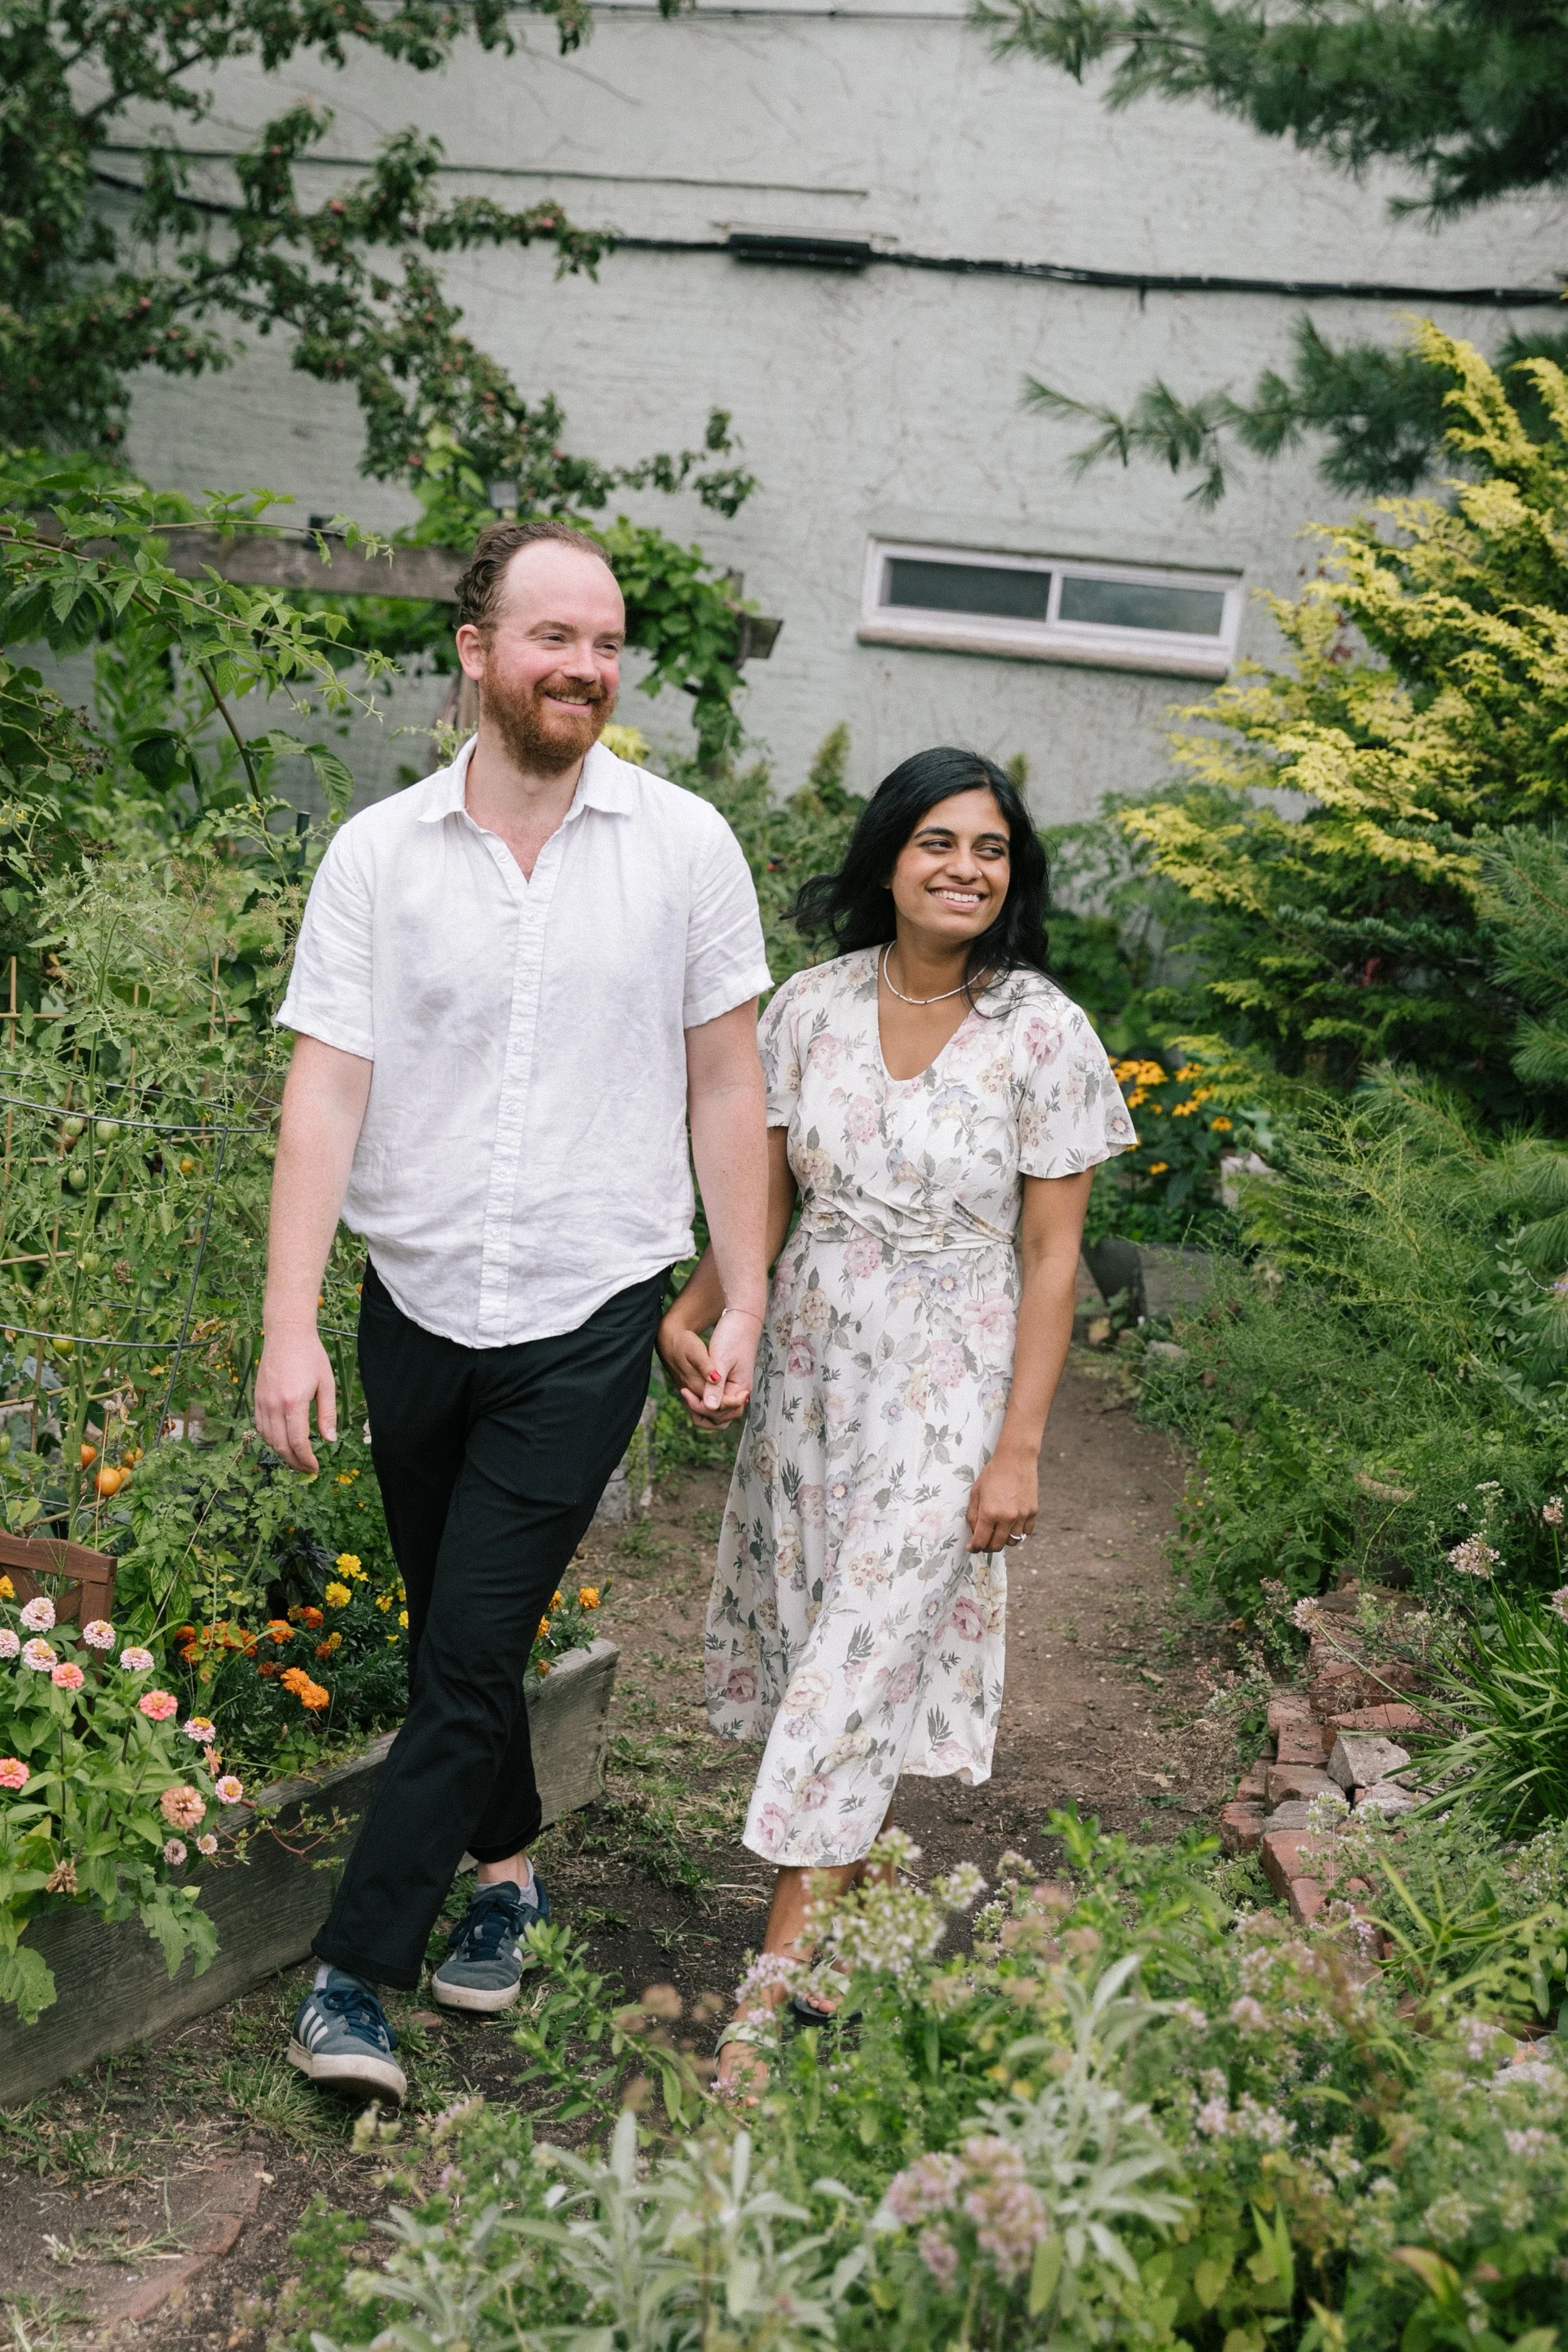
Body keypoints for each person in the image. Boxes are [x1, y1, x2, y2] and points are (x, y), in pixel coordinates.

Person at [255, 518, 771, 2102]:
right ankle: (510, 1870)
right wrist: (287, 1323)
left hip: (586, 1305)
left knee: (473, 1643)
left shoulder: (683, 846)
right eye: (555, 638)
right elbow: (326, 1091)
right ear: (476, 652)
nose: (587, 667)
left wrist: (740, 1287)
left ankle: (352, 1977)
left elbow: (727, 1082)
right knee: (448, 1632)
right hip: (412, 1299)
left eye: (608, 642)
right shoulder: (378, 855)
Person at [657, 747, 1136, 2089]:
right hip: (811, 1364)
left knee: (860, 1652)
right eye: (937, 842)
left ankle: (768, 1980)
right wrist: (700, 1313)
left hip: (950, 1375)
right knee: (826, 1637)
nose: (964, 869)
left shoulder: (1041, 1030)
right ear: (886, 857)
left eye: (989, 850)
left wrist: (1019, 1447)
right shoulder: (806, 1010)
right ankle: (848, 1930)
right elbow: (761, 1205)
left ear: (1011, 875)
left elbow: (1052, 1260)